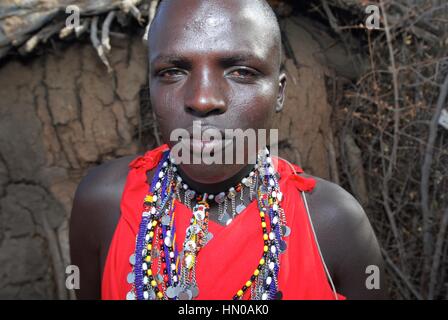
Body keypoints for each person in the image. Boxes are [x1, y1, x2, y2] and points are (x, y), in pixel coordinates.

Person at [70, 0, 387, 300]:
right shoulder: (103, 204)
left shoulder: (334, 225)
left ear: (279, 92)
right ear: (150, 87)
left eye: (241, 72)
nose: (203, 99)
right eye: (173, 72)